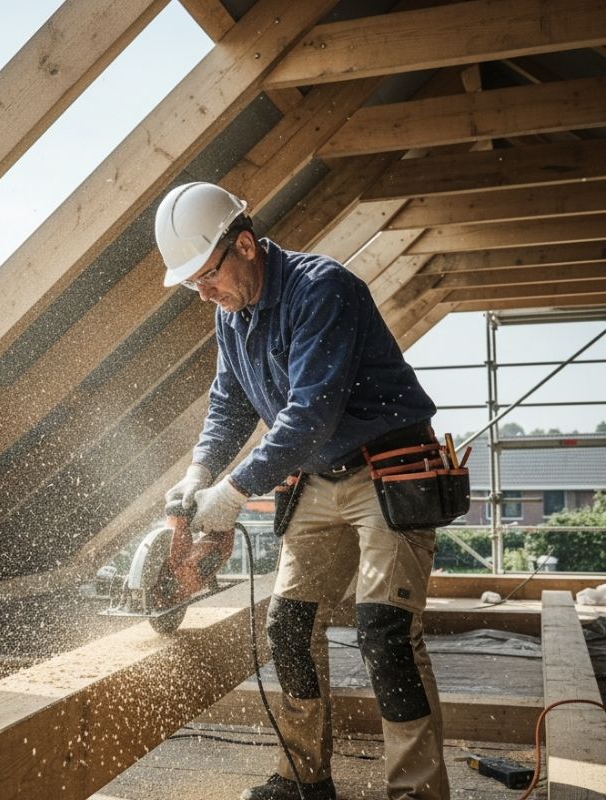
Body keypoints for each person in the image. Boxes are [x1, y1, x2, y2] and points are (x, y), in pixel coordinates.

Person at [155, 181, 449, 800]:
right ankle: (303, 780)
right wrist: (198, 474)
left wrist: (233, 495)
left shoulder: (323, 289)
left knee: (384, 629)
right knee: (289, 625)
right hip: (317, 474)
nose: (203, 291)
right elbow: (229, 406)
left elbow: (309, 413)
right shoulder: (228, 315)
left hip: (385, 468)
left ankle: (417, 792)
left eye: (207, 276)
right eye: (191, 285)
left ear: (245, 244)